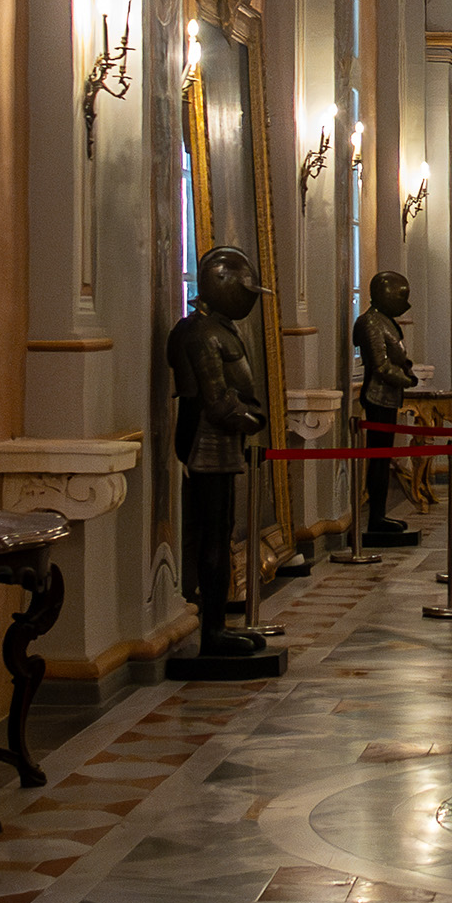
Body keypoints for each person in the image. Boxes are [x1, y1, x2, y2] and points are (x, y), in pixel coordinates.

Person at [169, 243, 272, 667]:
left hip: (223, 443)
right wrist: (253, 421)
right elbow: (216, 401)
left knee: (221, 532)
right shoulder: (202, 333)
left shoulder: (218, 328)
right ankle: (211, 632)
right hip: (207, 443)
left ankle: (219, 626)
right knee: (212, 535)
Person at [353, 267, 424, 549]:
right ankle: (375, 518)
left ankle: (380, 515)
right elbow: (380, 366)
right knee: (378, 460)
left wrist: (406, 371)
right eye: (401, 295)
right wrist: (407, 380)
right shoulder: (370, 322)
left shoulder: (386, 321)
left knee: (384, 460)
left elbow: (398, 357)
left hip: (389, 397)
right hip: (377, 396)